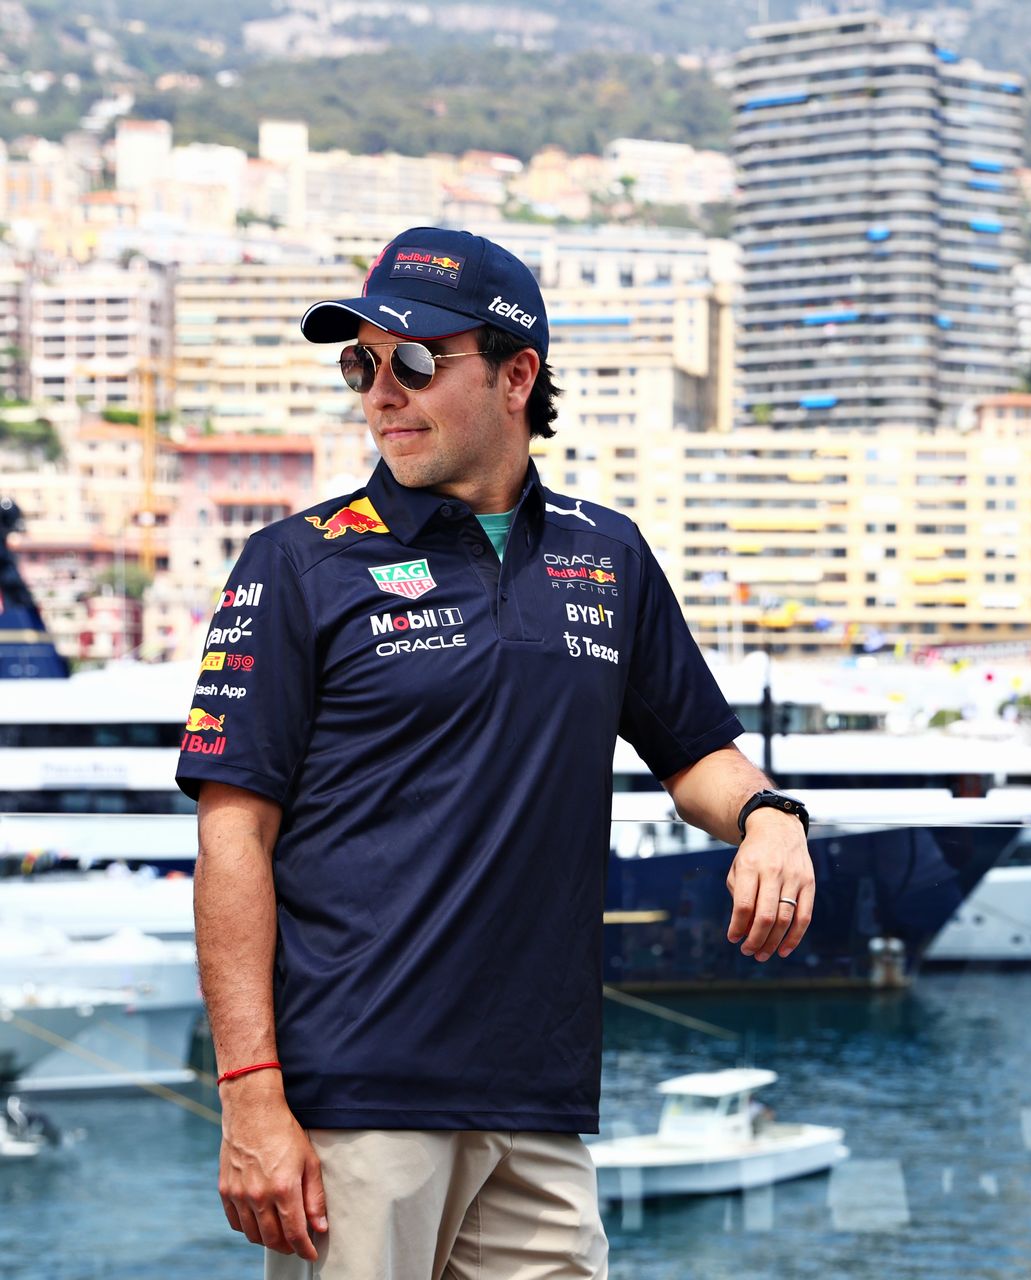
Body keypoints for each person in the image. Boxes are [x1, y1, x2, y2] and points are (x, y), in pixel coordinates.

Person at [176, 226, 816, 1279]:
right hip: (359, 1102)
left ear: (518, 375)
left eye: (416, 360)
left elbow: (697, 753)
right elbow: (231, 837)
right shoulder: (294, 565)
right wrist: (250, 1094)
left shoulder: (607, 554)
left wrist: (768, 816)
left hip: (538, 1103)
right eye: (362, 365)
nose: (384, 392)